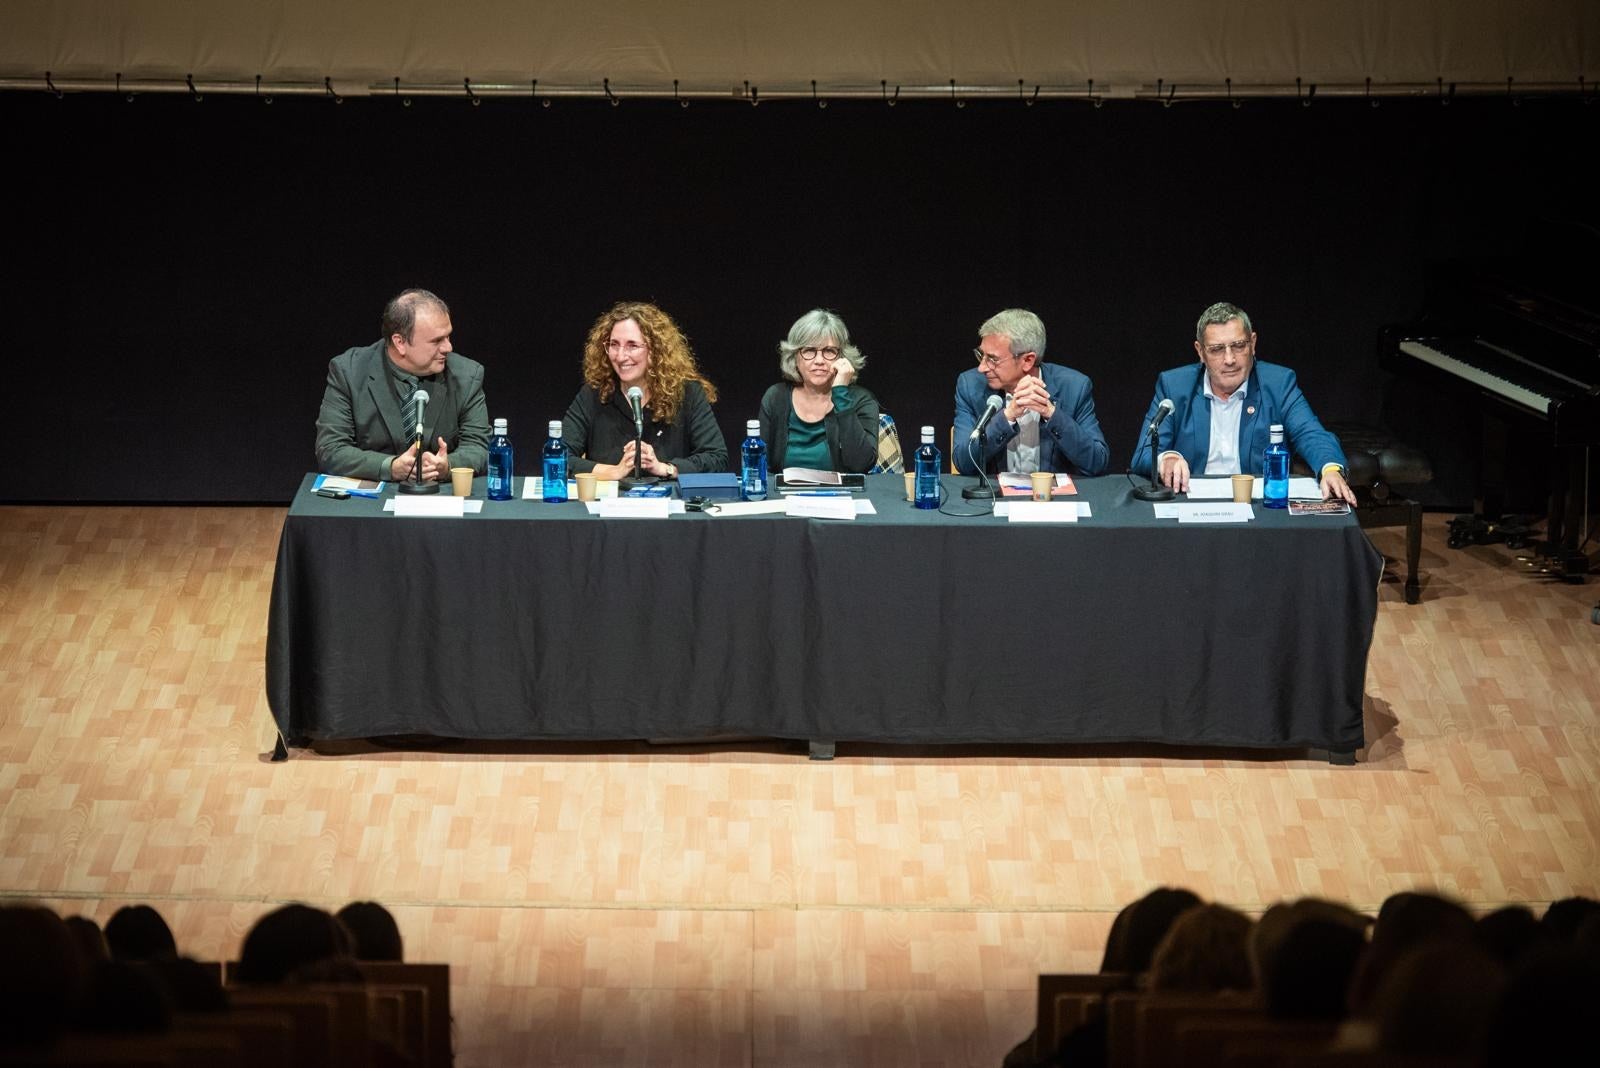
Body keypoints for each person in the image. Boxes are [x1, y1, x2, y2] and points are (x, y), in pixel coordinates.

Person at [1131, 301, 1356, 503]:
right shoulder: (1175, 385)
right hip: (1192, 508)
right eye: (1217, 349)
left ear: (1253, 343)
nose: (1229, 359)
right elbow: (1142, 454)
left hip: (1256, 508)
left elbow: (1311, 434)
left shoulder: (1278, 383)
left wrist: (1330, 469)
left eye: (1238, 346)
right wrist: (1167, 458)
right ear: (1200, 352)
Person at [315, 288, 490, 484]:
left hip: (440, 498)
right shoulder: (349, 372)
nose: (448, 347)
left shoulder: (467, 375)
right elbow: (331, 450)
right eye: (437, 341)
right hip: (372, 503)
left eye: (448, 336)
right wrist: (390, 466)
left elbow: (479, 448)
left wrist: (446, 466)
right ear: (400, 343)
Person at [561, 301, 727, 479]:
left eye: (632, 345)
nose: (620, 356)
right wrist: (614, 471)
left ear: (655, 350)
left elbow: (717, 458)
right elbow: (558, 456)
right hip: (609, 504)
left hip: (669, 503)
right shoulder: (593, 394)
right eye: (614, 344)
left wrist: (665, 468)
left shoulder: (687, 394)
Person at [953, 308, 1109, 477]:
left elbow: (1097, 462)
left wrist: (1051, 414)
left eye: (993, 359)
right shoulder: (971, 386)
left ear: (1027, 360)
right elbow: (963, 463)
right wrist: (1007, 417)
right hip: (996, 497)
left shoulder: (1074, 387)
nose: (982, 367)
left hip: (1054, 499)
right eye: (981, 355)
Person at [757, 309, 880, 473]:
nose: (819, 360)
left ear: (842, 357)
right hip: (785, 497)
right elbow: (758, 464)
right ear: (794, 357)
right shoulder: (775, 397)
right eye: (809, 351)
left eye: (829, 351)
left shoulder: (862, 400)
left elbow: (861, 465)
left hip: (842, 496)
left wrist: (841, 394)